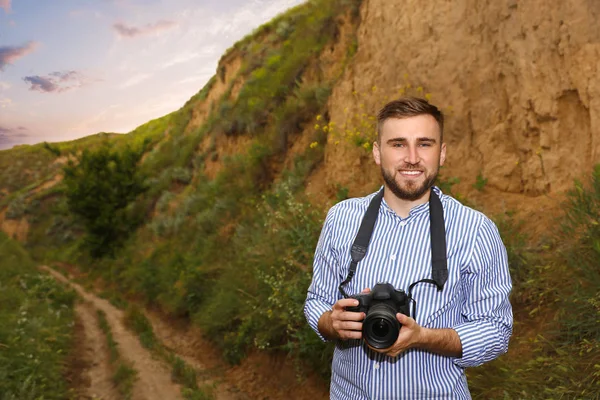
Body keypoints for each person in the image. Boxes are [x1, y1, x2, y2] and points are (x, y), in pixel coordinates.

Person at [304, 97, 513, 399]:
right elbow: (317, 300)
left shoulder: (476, 231)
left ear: (442, 154)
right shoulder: (340, 219)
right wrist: (330, 321)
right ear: (377, 152)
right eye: (398, 144)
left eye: (425, 144)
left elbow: (496, 331)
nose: (412, 157)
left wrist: (424, 338)